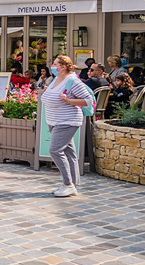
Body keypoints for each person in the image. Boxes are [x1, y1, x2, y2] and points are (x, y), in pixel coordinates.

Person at [42, 55, 94, 197]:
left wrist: (69, 101)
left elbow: (88, 100)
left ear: (62, 67)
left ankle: (68, 184)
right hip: (54, 120)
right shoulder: (57, 79)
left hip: (67, 121)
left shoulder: (73, 81)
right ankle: (72, 184)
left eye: (55, 64)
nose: (52, 66)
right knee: (69, 152)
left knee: (55, 150)